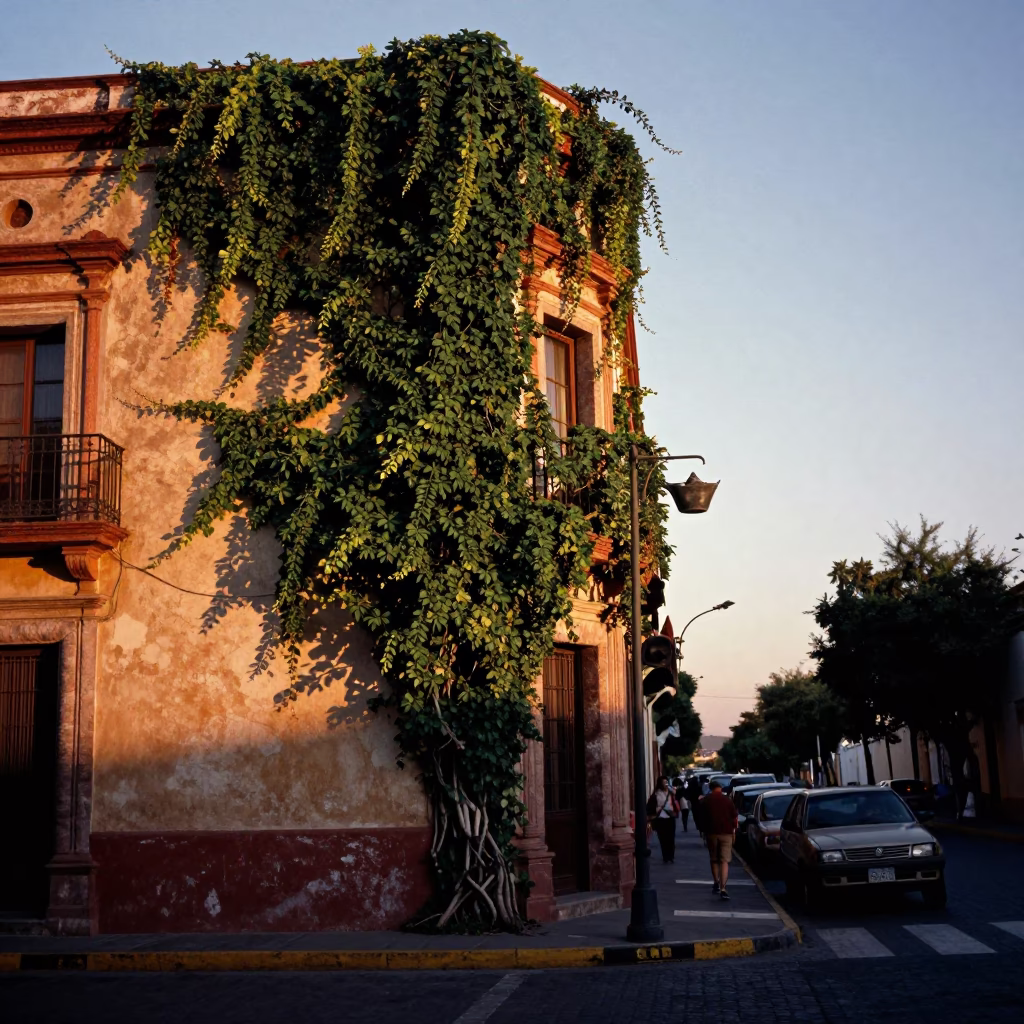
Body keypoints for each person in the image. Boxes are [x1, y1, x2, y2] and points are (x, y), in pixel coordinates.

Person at [702, 779, 739, 900]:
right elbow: (734, 817)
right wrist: (734, 831)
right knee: (724, 861)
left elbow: (700, 816)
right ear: (720, 788)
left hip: (711, 833)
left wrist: (703, 830)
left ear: (711, 788)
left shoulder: (706, 800)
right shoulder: (727, 800)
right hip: (726, 833)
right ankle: (723, 888)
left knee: (714, 859)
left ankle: (716, 882)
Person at [646, 775, 680, 864]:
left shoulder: (670, 792)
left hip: (670, 817)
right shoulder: (656, 794)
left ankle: (671, 856)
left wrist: (670, 788)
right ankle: (665, 856)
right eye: (663, 782)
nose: (665, 784)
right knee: (663, 838)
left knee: (671, 838)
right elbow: (651, 806)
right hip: (660, 818)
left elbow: (676, 794)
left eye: (666, 782)